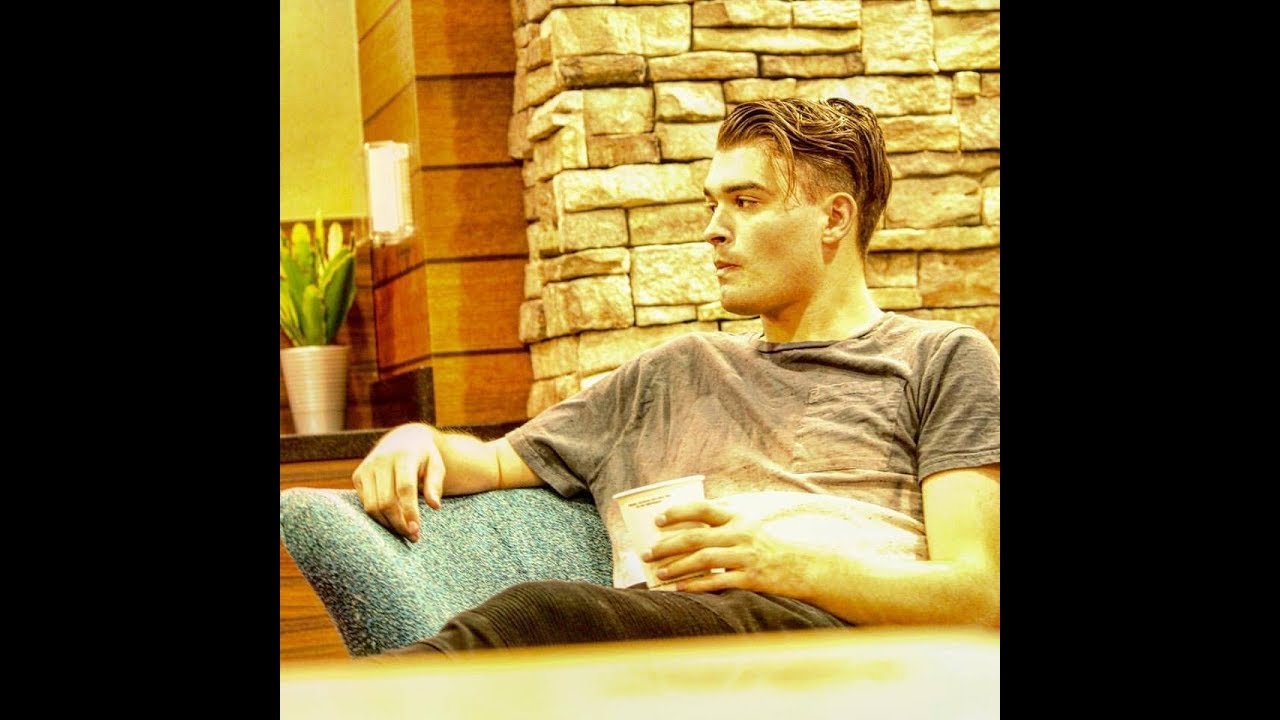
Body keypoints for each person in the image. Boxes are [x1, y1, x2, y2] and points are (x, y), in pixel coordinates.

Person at [352, 97, 1000, 655]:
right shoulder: (670, 375)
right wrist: (417, 440)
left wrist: (785, 565)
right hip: (680, 648)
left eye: (745, 201)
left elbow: (980, 595)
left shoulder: (940, 359)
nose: (714, 230)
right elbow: (493, 463)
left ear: (833, 218)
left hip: (846, 650)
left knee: (538, 618)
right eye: (713, 204)